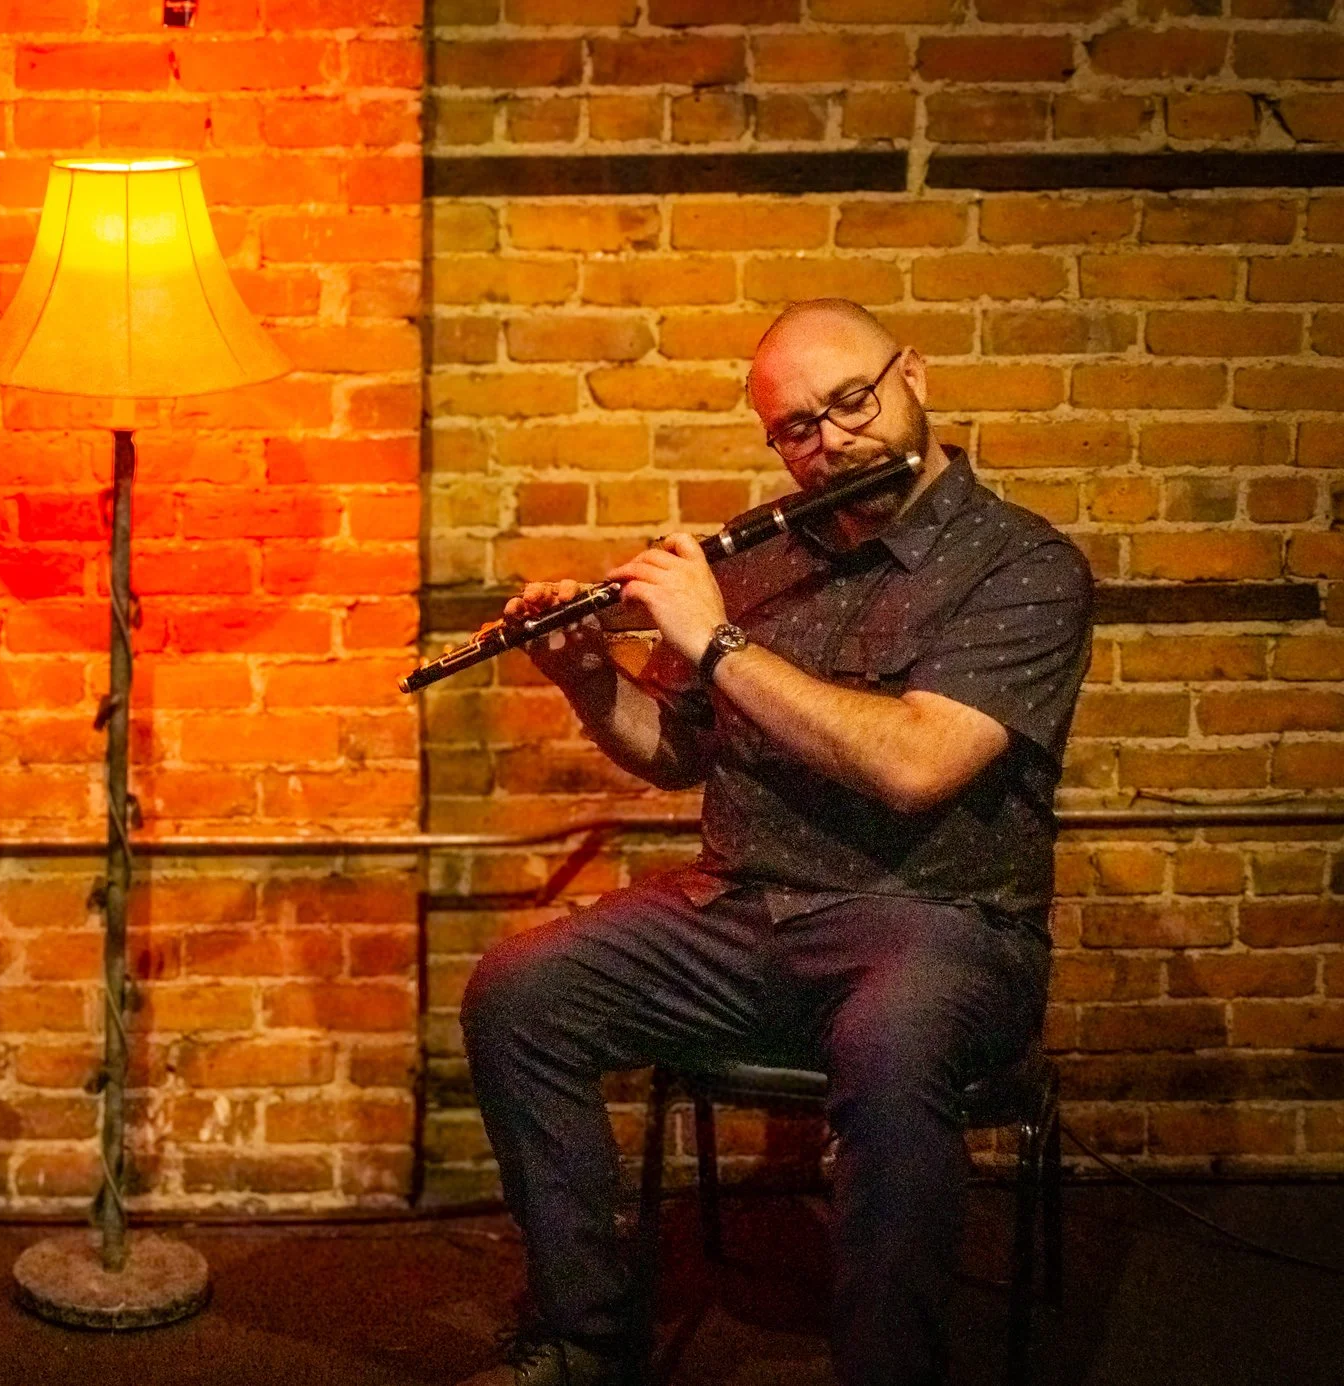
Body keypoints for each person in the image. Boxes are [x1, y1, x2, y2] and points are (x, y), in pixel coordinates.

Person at [456, 299, 1092, 1386]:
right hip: (741, 912)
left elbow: (917, 764)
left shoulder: (1021, 566)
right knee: (518, 992)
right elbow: (674, 752)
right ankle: (584, 1334)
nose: (830, 441)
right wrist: (585, 674)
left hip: (937, 928)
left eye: (851, 402)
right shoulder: (757, 555)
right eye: (796, 428)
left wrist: (714, 638)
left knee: (895, 1045)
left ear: (913, 377)